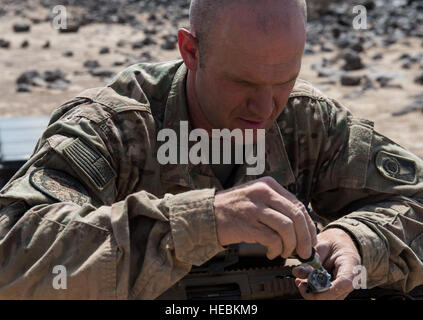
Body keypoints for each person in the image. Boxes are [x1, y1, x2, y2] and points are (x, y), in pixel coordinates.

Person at [0, 0, 422, 300]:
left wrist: (358, 241)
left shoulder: (306, 121)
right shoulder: (112, 128)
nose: (265, 108)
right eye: (243, 83)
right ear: (191, 51)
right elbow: (13, 252)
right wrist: (202, 221)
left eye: (283, 80)